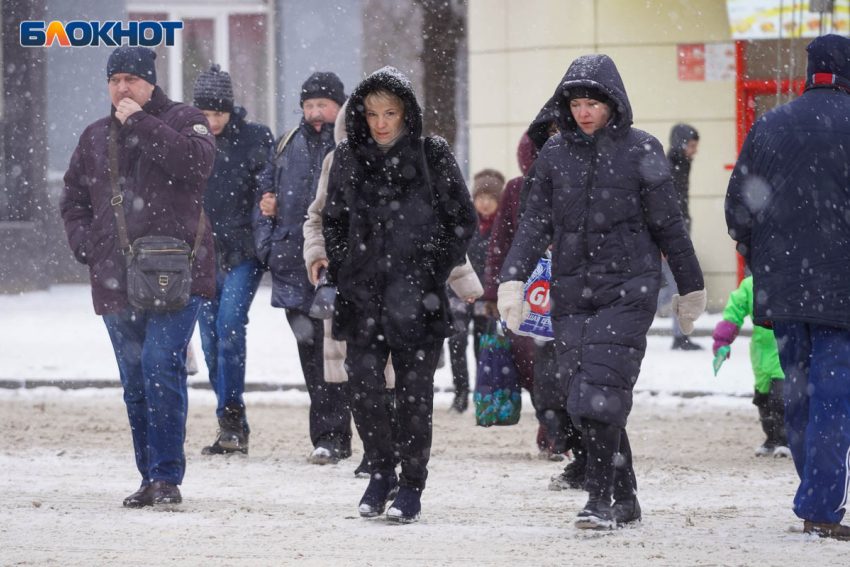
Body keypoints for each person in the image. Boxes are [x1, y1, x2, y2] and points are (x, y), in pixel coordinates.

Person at [498, 54, 706, 530]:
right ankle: (626, 498)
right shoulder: (554, 157)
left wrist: (690, 287)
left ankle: (598, 499)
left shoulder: (643, 151)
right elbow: (533, 225)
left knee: (599, 396)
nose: (584, 111)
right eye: (576, 102)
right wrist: (513, 278)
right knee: (588, 397)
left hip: (628, 292)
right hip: (572, 295)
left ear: (612, 103)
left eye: (593, 102)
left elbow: (670, 227)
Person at [60, 46, 216, 507]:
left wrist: (141, 123)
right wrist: (85, 243)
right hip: (115, 275)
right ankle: (149, 477)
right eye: (114, 81)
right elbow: (73, 199)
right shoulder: (93, 137)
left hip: (176, 272)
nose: (122, 88)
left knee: (159, 365)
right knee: (134, 379)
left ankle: (167, 478)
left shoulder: (188, 119)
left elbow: (195, 164)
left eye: (131, 79)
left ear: (150, 82)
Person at [323, 66, 476, 523]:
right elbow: (332, 218)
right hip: (361, 295)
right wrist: (346, 262)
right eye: (371, 113)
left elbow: (462, 220)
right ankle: (380, 471)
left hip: (418, 298)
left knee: (414, 395)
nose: (381, 122)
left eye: (390, 112)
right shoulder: (348, 157)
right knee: (365, 390)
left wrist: (432, 266)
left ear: (406, 112)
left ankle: (411, 484)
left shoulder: (433, 155)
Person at [725, 34, 850, 540]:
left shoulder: (769, 125)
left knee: (798, 395)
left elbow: (738, 208)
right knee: (833, 398)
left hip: (785, 290)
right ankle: (820, 505)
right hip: (843, 292)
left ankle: (815, 496)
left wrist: (765, 262)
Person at [253, 71, 352, 465]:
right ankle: (327, 436)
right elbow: (264, 195)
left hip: (339, 270)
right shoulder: (286, 144)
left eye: (323, 105)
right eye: (308, 105)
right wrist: (267, 245)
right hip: (293, 266)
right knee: (311, 357)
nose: (315, 112)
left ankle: (353, 435)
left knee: (343, 355)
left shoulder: (352, 144)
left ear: (340, 107)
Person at [192, 64, 275, 455]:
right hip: (201, 254)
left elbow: (269, 186)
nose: (212, 122)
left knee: (228, 325)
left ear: (230, 108)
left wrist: (268, 209)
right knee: (209, 340)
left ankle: (231, 414)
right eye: (205, 114)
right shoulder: (187, 138)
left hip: (244, 252)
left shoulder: (255, 138)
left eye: (218, 113)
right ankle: (232, 423)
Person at [711, 275, 789, 458]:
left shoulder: (789, 278)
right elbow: (733, 313)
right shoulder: (750, 285)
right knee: (763, 398)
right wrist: (723, 341)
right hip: (760, 352)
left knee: (782, 396)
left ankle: (787, 439)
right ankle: (771, 438)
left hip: (785, 347)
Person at [446, 169, 504, 413]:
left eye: (491, 198)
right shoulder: (464, 222)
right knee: (457, 343)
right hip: (460, 293)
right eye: (481, 197)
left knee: (485, 345)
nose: (485, 202)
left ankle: (486, 394)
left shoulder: (503, 227)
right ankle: (461, 394)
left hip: (488, 296)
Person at [661, 124, 702, 350]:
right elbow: (666, 208)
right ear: (682, 143)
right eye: (692, 146)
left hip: (677, 234)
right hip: (671, 238)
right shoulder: (671, 168)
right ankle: (680, 337)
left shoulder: (680, 165)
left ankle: (680, 335)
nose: (694, 151)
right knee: (679, 286)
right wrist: (668, 242)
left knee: (672, 287)